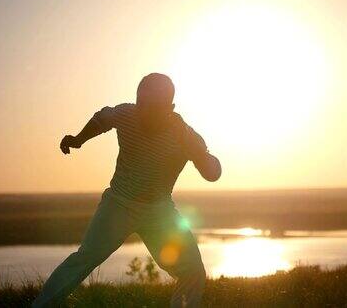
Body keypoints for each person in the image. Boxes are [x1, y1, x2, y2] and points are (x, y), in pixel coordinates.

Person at [32, 73, 222, 308]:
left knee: (193, 271)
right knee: (85, 259)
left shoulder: (184, 135)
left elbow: (213, 174)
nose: (145, 112)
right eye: (142, 104)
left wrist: (198, 154)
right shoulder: (126, 114)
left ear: (169, 108)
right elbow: (101, 119)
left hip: (160, 213)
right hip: (119, 204)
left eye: (154, 107)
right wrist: (78, 139)